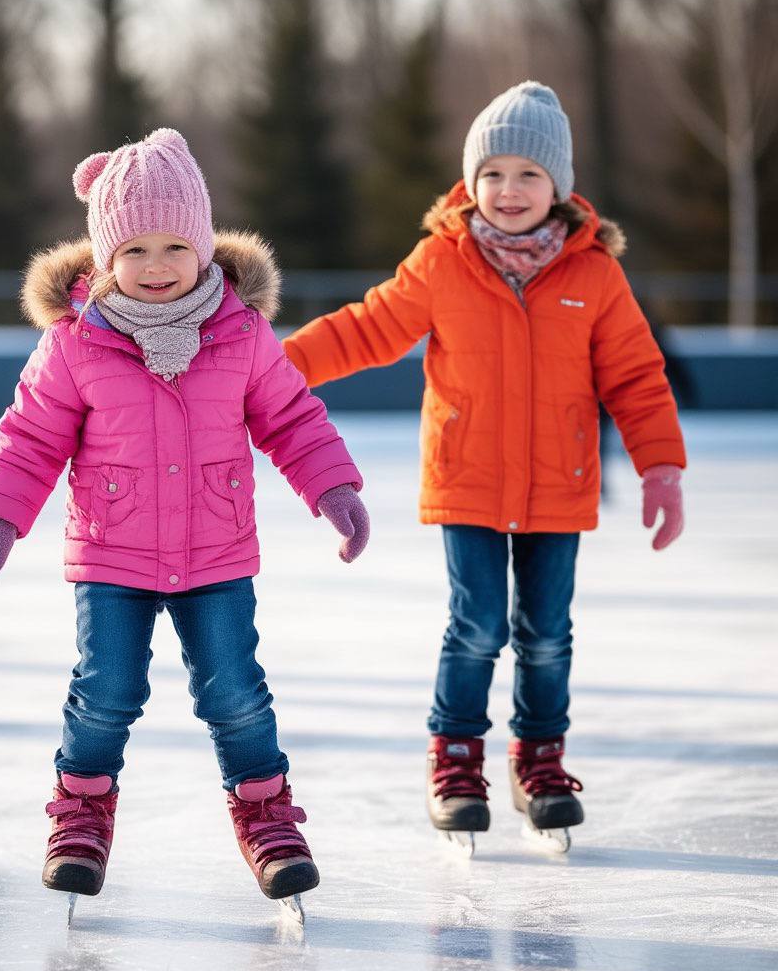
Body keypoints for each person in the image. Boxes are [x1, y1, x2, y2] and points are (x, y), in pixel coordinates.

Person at [0, 128, 369, 905]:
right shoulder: (74, 344)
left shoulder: (242, 335)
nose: (156, 266)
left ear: (205, 250)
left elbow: (291, 419)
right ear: (105, 258)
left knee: (235, 691)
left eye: (175, 246)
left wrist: (333, 489)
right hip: (112, 556)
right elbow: (29, 439)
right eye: (136, 250)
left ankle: (266, 816)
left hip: (217, 554)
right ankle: (81, 811)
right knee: (106, 689)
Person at [282, 82, 686, 845]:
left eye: (528, 175)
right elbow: (367, 329)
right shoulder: (442, 261)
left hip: (557, 487)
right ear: (471, 181)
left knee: (546, 633)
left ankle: (539, 761)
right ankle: (456, 760)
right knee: (475, 626)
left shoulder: (594, 274)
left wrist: (661, 468)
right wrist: (277, 366)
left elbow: (636, 375)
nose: (507, 191)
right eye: (492, 173)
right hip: (466, 479)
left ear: (559, 188)